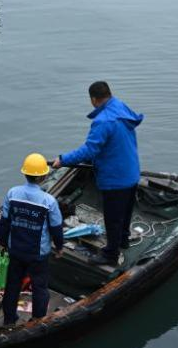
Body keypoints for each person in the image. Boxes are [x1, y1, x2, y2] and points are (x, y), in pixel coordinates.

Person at [52, 81, 142, 267]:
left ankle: (110, 254)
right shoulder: (120, 106)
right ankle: (123, 240)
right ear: (110, 94)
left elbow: (89, 151)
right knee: (125, 212)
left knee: (113, 218)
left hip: (115, 179)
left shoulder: (102, 121)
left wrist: (63, 159)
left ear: (93, 99)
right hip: (131, 172)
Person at [0, 153, 64, 328]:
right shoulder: (49, 201)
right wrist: (60, 247)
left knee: (12, 286)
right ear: (43, 176)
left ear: (25, 174)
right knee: (39, 287)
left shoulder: (12, 193)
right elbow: (56, 228)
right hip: (38, 255)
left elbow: (4, 222)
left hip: (16, 250)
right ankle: (37, 321)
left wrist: (3, 243)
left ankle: (9, 320)